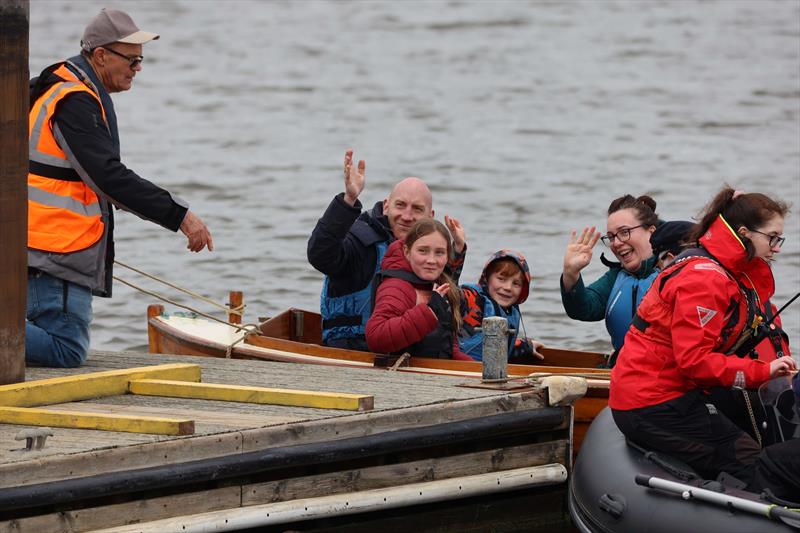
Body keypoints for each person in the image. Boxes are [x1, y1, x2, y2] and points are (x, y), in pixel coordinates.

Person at [26, 8, 213, 368]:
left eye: (140, 60)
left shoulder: (56, 83)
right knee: (66, 350)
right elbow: (109, 178)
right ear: (100, 56)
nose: (138, 68)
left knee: (55, 349)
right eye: (132, 59)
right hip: (55, 249)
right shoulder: (75, 99)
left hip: (41, 246)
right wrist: (181, 216)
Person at [610, 187, 798, 496]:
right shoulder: (706, 278)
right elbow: (694, 361)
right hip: (651, 402)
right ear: (745, 234)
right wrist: (762, 372)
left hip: (672, 392)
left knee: (748, 439)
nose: (777, 248)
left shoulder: (721, 267)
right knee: (748, 460)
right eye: (773, 237)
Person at [308, 149, 465, 351]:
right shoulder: (359, 242)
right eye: (400, 205)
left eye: (417, 209)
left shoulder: (427, 249)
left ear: (430, 215)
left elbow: (440, 296)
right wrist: (348, 199)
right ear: (386, 206)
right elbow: (319, 255)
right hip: (353, 352)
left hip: (408, 352)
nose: (407, 216)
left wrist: (458, 251)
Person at [560, 195, 660, 362]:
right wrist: (571, 273)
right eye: (611, 237)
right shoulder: (617, 277)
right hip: (623, 371)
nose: (616, 243)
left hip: (664, 375)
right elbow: (582, 309)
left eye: (624, 232)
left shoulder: (676, 273)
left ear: (651, 232)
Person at [366, 219, 471, 360]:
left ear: (447, 256)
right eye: (423, 251)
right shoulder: (396, 287)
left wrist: (475, 370)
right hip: (400, 376)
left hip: (436, 373)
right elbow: (376, 337)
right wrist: (429, 311)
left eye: (439, 253)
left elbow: (448, 347)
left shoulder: (439, 285)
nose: (431, 260)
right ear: (407, 252)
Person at [459, 250, 545, 362]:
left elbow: (500, 348)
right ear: (487, 278)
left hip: (492, 371)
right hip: (462, 368)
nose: (508, 287)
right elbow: (449, 285)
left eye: (516, 283)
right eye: (501, 279)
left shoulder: (511, 311)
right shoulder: (470, 297)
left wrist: (525, 347)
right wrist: (458, 250)